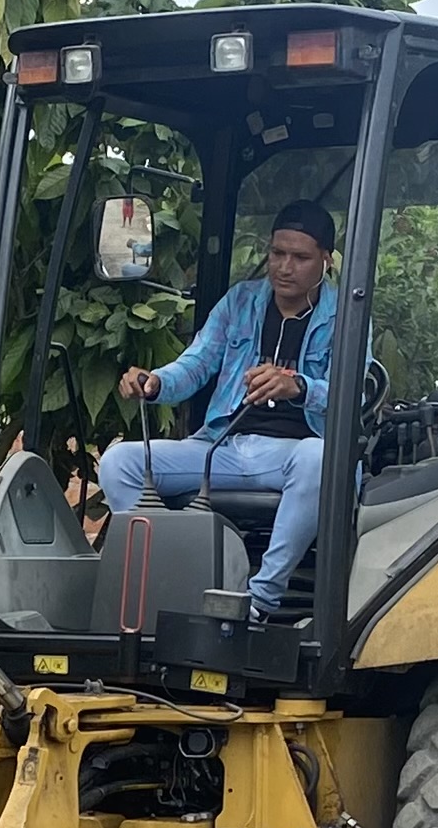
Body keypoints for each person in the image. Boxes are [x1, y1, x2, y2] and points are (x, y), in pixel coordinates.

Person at [98, 200, 339, 620]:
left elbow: (353, 395)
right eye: (277, 253)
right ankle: (166, 582)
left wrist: (299, 386)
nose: (284, 267)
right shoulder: (240, 302)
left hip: (295, 453)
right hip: (222, 446)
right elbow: (196, 363)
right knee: (120, 462)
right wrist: (156, 382)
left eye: (300, 257)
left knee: (322, 459)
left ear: (326, 260)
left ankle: (258, 602)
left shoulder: (345, 316)